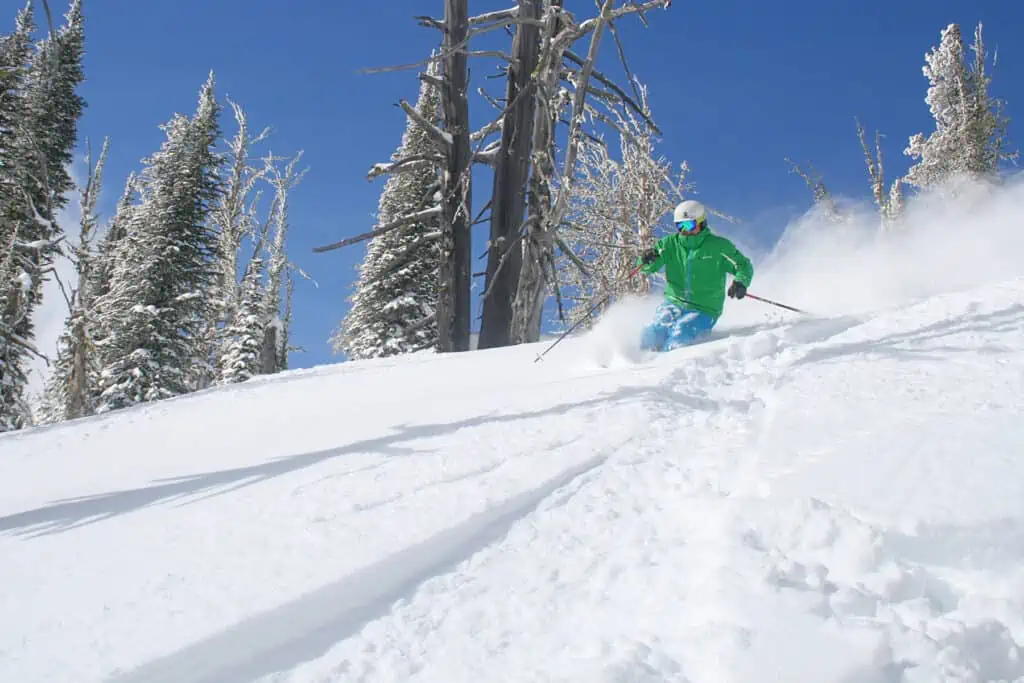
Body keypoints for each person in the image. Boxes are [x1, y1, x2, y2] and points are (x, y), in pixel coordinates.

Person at [637, 199, 754, 352]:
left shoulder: (718, 246)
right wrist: (646, 259)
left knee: (681, 333)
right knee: (655, 333)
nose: (685, 230)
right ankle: (633, 365)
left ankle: (669, 368)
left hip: (704, 309)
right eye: (680, 226)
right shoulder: (669, 244)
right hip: (674, 302)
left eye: (689, 225)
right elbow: (646, 269)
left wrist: (740, 282)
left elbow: (743, 265)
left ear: (701, 222)